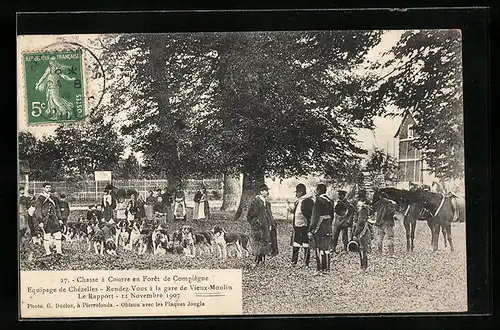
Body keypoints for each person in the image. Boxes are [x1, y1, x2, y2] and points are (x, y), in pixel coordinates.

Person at [247, 184, 278, 268]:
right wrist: (256, 224)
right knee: (258, 243)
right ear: (261, 191)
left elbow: (269, 214)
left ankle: (262, 261)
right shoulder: (255, 202)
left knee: (265, 242)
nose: (267, 192)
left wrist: (272, 224)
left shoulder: (267, 203)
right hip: (258, 227)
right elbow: (249, 216)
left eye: (267, 190)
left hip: (266, 226)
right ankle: (256, 262)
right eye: (265, 190)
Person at [308, 183, 335, 275]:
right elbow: (332, 215)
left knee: (318, 248)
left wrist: (311, 229)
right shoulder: (330, 200)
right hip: (327, 226)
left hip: (319, 226)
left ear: (318, 190)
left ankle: (320, 269)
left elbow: (315, 216)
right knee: (326, 248)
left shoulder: (318, 200)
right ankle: (327, 269)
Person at [287, 183, 314, 267]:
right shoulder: (298, 201)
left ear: (302, 192)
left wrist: (309, 225)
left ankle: (306, 263)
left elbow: (310, 214)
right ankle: (293, 262)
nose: (296, 194)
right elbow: (297, 212)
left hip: (304, 226)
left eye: (298, 192)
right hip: (297, 226)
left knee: (306, 245)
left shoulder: (308, 201)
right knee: (296, 244)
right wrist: (290, 208)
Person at [34, 183, 63, 256]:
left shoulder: (53, 198)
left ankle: (59, 252)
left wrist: (59, 218)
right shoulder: (40, 198)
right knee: (47, 235)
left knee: (58, 234)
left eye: (49, 187)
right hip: (45, 219)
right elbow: (38, 210)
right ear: (43, 188)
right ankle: (48, 252)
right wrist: (40, 221)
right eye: (47, 187)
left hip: (54, 219)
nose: (48, 189)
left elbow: (57, 209)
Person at [372, 191, 399, 257]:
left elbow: (373, 209)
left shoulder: (378, 203)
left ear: (380, 197)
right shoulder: (389, 203)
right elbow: (393, 212)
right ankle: (391, 254)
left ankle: (380, 253)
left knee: (380, 238)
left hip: (379, 222)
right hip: (387, 223)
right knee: (390, 238)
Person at [352, 190, 372, 271]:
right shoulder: (364, 208)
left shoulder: (362, 209)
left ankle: (363, 267)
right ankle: (364, 266)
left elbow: (360, 223)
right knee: (362, 249)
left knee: (362, 249)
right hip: (364, 230)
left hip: (362, 231)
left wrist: (355, 233)